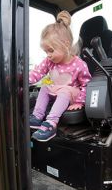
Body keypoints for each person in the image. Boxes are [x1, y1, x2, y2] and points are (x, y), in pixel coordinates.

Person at [29, 10, 91, 142]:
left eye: (51, 50)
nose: (48, 55)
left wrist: (80, 101)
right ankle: (37, 117)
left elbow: (86, 84)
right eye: (46, 51)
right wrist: (24, 80)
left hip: (71, 93)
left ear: (66, 45)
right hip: (57, 90)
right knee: (45, 86)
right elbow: (38, 72)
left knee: (64, 90)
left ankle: (51, 124)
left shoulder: (79, 64)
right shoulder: (49, 61)